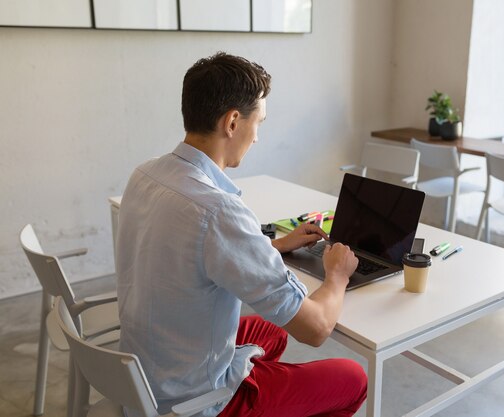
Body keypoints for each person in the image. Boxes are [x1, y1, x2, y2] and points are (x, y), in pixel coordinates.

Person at [116, 52, 367, 417]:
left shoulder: (146, 174)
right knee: (352, 377)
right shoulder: (218, 211)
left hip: (145, 373)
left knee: (274, 333)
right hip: (191, 403)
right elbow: (316, 329)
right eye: (258, 123)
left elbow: (191, 249)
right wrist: (338, 275)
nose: (258, 137)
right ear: (233, 122)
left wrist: (273, 246)